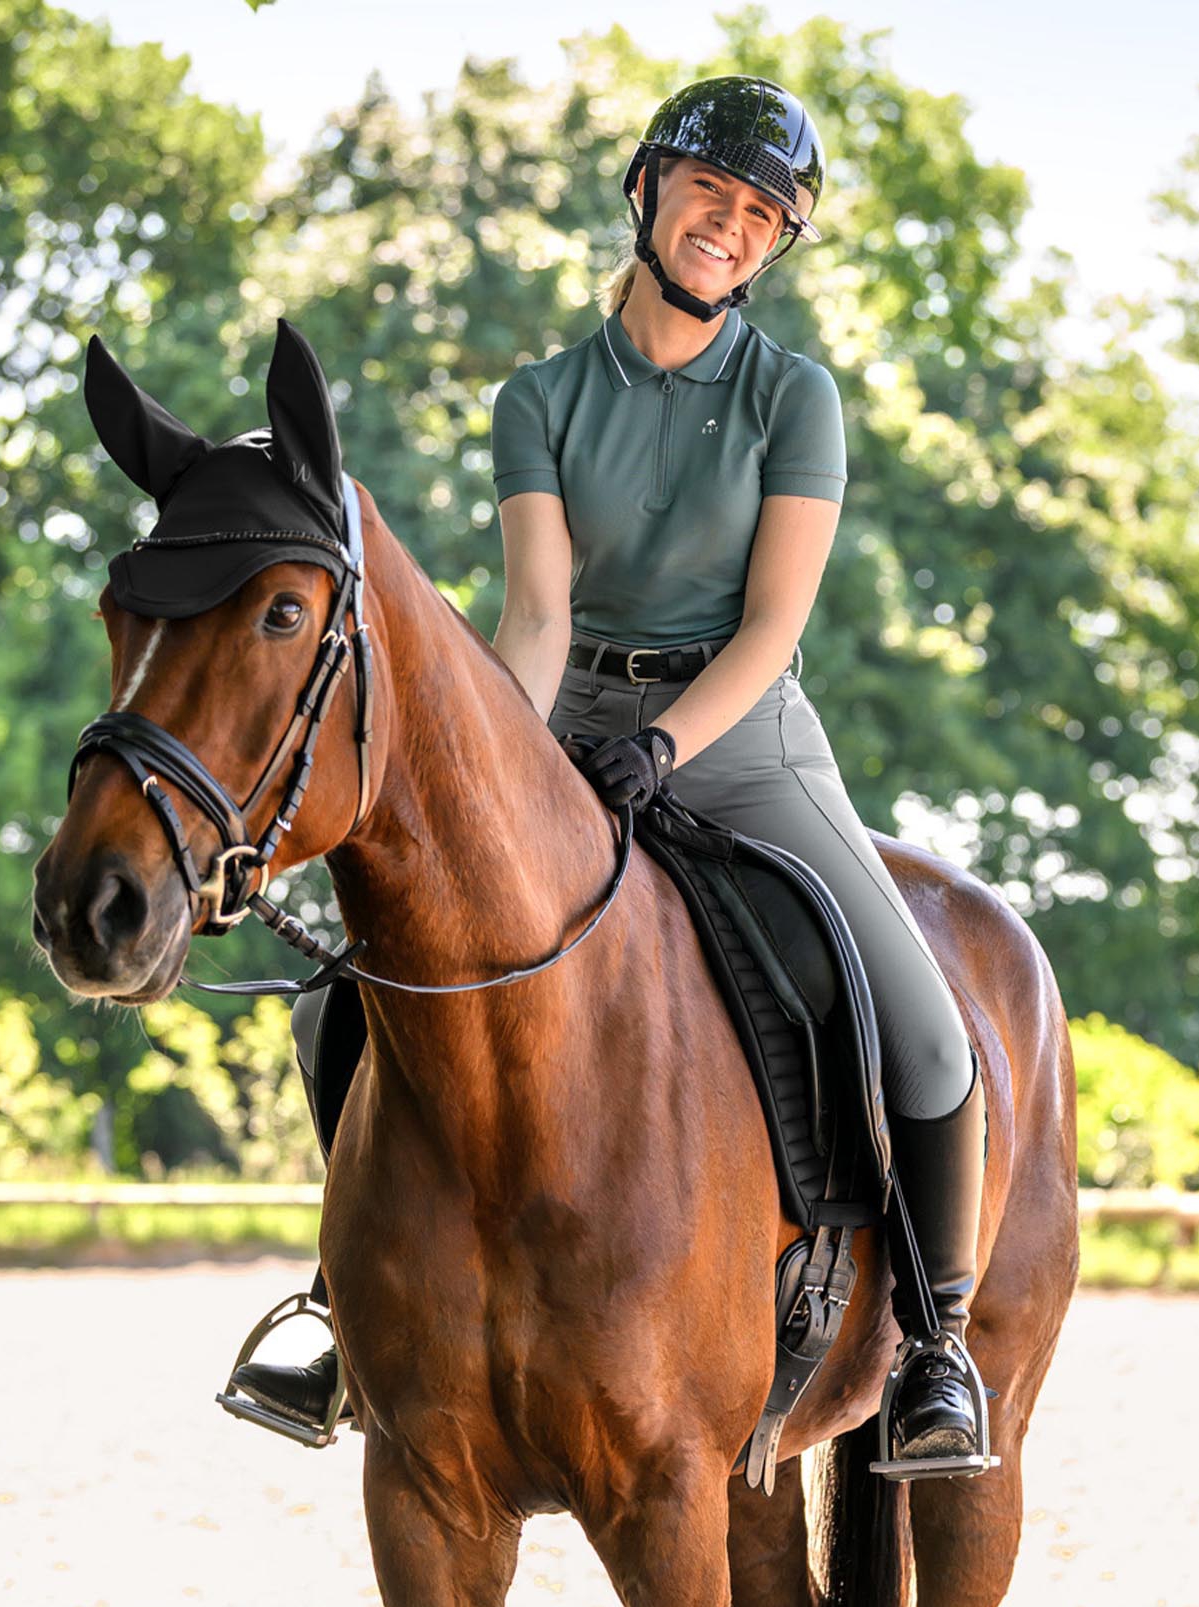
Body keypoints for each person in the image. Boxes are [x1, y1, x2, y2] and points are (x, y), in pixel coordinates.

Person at [230, 74, 992, 1475]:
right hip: (569, 721)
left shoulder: (793, 398)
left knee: (928, 1033)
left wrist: (665, 745)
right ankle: (346, 1307)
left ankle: (937, 1348)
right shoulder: (541, 397)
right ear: (648, 189)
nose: (730, 224)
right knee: (349, 988)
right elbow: (533, 614)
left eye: (762, 213)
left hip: (744, 737)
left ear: (776, 245)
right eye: (711, 191)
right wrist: (514, 767)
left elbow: (774, 627)